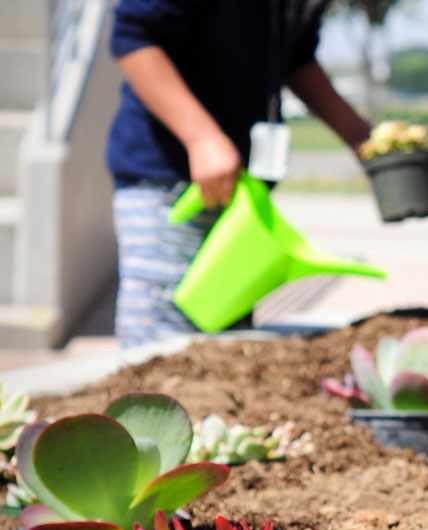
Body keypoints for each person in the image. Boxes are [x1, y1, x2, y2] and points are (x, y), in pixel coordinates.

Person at [108, 0, 370, 347]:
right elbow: (133, 33)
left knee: (227, 351)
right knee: (160, 352)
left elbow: (296, 58)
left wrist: (363, 139)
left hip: (239, 197)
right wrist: (200, 136)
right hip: (169, 187)